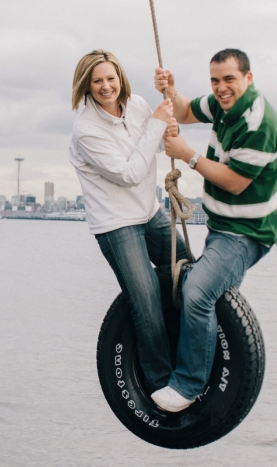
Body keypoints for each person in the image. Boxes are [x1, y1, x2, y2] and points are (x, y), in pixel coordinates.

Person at [150, 49, 277, 412]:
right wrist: (173, 91)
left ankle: (189, 385)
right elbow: (184, 111)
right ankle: (202, 373)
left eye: (229, 79)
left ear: (248, 78)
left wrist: (188, 155)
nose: (221, 88)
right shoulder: (224, 104)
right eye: (215, 80)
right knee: (210, 301)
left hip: (248, 233)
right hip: (223, 226)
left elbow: (236, 182)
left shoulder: (259, 123)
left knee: (196, 292)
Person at [69, 50, 188, 395]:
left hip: (148, 213)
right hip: (116, 225)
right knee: (146, 302)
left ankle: (185, 352)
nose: (106, 86)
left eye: (111, 78)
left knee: (186, 271)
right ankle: (160, 386)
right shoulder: (86, 130)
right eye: (97, 81)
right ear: (86, 86)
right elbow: (129, 173)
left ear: (120, 77)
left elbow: (151, 144)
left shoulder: (135, 105)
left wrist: (167, 127)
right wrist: (156, 123)